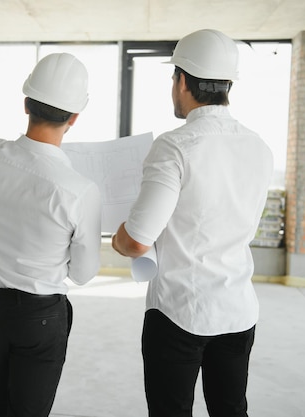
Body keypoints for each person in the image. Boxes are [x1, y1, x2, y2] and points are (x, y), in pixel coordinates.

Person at [112, 29, 273, 417]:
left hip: (179, 312)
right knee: (230, 409)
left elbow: (135, 241)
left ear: (182, 81)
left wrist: (119, 237)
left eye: (173, 78)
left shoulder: (175, 146)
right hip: (237, 310)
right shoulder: (258, 147)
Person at [0, 53, 102, 417]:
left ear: (26, 104)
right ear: (74, 118)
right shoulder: (79, 190)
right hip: (40, 317)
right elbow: (82, 274)